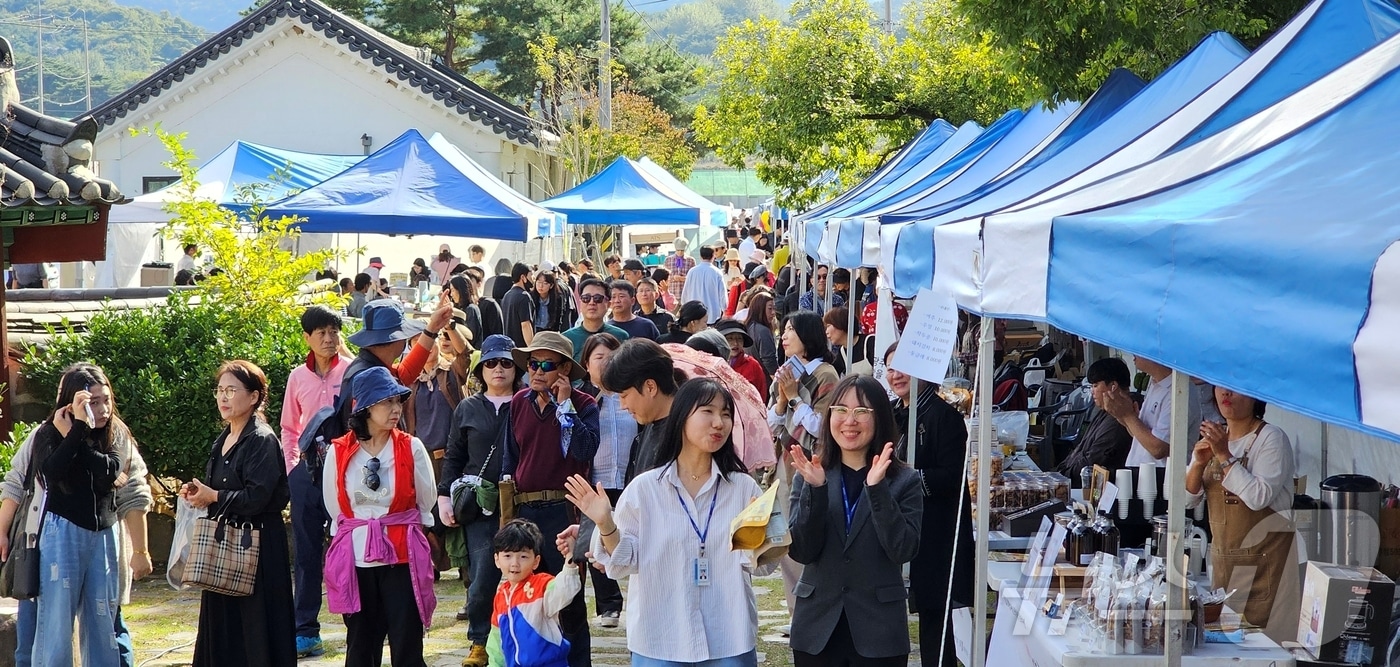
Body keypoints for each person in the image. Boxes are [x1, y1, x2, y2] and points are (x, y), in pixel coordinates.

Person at [564, 378, 764, 667]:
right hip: (660, 639)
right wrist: (605, 522)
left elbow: (764, 564)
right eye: (708, 411)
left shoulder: (744, 488)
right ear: (682, 416)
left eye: (726, 414)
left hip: (729, 636)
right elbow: (622, 563)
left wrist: (758, 536)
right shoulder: (645, 489)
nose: (719, 422)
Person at [787, 375, 922, 666]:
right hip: (817, 628)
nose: (850, 421)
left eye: (862, 411)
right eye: (841, 410)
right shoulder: (811, 474)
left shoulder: (904, 481)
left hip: (879, 630)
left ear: (880, 418)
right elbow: (802, 551)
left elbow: (903, 550)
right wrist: (817, 491)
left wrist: (877, 491)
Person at [0, 365, 124, 667]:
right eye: (93, 402)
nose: (103, 408)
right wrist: (76, 431)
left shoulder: (114, 433)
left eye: (106, 400)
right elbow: (50, 473)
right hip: (61, 530)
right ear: (73, 402)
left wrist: (77, 437)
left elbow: (110, 471)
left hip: (103, 531)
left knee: (102, 616)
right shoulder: (47, 433)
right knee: (55, 619)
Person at [182, 360, 296, 666]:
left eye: (232, 390)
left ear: (254, 396)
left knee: (257, 629)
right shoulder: (224, 438)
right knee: (223, 628)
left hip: (257, 547)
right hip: (225, 546)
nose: (223, 397)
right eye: (220, 390)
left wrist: (215, 495)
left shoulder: (261, 438)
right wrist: (200, 495)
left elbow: (257, 497)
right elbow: (221, 488)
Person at [322, 367, 437, 667]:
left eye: (398, 402)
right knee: (360, 642)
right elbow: (336, 508)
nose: (396, 409)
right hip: (357, 556)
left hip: (401, 554)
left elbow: (426, 500)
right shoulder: (339, 451)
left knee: (406, 639)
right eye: (387, 402)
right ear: (364, 407)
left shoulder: (411, 447)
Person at [500, 332, 600, 667]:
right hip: (526, 508)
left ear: (565, 371)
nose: (538, 371)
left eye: (547, 364)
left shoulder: (584, 404)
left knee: (568, 598)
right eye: (532, 363)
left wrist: (565, 406)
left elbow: (585, 450)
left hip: (565, 510)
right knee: (526, 593)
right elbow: (509, 459)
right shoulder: (518, 402)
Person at [1185, 387, 1298, 641]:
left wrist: (1224, 455)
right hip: (1225, 568)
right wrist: (1199, 461)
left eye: (1237, 389)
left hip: (1266, 571)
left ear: (1256, 395)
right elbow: (1187, 500)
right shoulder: (1216, 438)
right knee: (1225, 651)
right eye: (1221, 386)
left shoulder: (1271, 438)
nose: (1227, 393)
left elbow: (1259, 497)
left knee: (1263, 649)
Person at [884, 346, 972, 666]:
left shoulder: (943, 416)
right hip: (899, 523)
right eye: (890, 368)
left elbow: (952, 476)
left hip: (936, 529)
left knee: (935, 614)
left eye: (903, 367)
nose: (896, 375)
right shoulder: (893, 413)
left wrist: (908, 478)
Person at [438, 335, 519, 666]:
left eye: (505, 362)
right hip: (480, 505)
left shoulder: (528, 402)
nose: (498, 369)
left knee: (521, 572)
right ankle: (479, 642)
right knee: (483, 577)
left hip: (521, 501)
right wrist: (445, 496)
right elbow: (454, 455)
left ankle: (517, 640)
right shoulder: (467, 408)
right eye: (490, 363)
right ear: (479, 369)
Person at [278, 306, 353, 657]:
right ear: (307, 337)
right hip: (307, 473)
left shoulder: (352, 370)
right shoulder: (297, 377)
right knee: (307, 552)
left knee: (352, 546)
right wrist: (293, 467)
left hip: (347, 472)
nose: (328, 338)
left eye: (333, 330)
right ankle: (305, 630)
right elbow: (290, 427)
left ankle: (361, 623)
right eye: (320, 332)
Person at [578, 333, 633, 629]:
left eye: (612, 358)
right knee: (597, 539)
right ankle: (609, 604)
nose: (606, 363)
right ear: (586, 364)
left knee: (629, 535)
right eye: (599, 358)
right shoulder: (583, 400)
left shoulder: (629, 396)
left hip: (627, 477)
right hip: (595, 480)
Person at [486, 519, 584, 667]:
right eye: (508, 556)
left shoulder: (542, 585)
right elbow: (495, 638)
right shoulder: (501, 595)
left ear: (536, 561)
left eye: (523, 556)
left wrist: (570, 559)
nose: (515, 563)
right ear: (497, 559)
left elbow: (565, 590)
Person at [601, 339, 687, 484]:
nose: (623, 406)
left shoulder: (688, 434)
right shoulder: (649, 424)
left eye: (624, 395)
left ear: (650, 387)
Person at [1103, 355, 1203, 467]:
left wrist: (1128, 416)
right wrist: (1121, 415)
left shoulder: (1180, 391)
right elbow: (1140, 437)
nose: (1133, 353)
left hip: (1162, 479)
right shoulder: (1155, 384)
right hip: (1141, 473)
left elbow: (1158, 449)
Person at [1056, 358, 1136, 478]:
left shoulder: (1117, 419)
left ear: (1113, 386)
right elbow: (1080, 451)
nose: (1092, 391)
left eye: (1095, 385)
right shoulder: (1105, 411)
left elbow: (1094, 461)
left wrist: (1063, 476)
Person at [562, 278, 630, 363]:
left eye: (597, 298)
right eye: (586, 298)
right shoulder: (566, 339)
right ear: (580, 303)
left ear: (608, 304)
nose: (591, 302)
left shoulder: (620, 336)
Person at [716, 318, 768, 402]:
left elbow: (761, 396)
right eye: (730, 338)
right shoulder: (712, 364)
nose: (735, 343)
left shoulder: (753, 365)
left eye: (739, 339)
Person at [822, 307, 871, 376]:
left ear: (840, 324)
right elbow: (832, 374)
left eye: (828, 326)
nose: (826, 332)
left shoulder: (870, 342)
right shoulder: (842, 352)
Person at [743, 292, 779, 379]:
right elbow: (769, 360)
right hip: (763, 380)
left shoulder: (748, 326)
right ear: (760, 309)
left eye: (774, 309)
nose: (773, 313)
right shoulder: (763, 331)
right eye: (770, 309)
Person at [502, 262, 537, 347]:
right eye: (531, 275)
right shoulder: (524, 296)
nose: (534, 278)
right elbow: (525, 325)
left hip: (509, 346)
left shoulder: (507, 295)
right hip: (522, 349)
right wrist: (531, 348)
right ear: (523, 277)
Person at [532, 270, 568, 334]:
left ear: (551, 285)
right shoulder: (531, 296)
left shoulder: (558, 298)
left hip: (550, 332)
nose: (541, 286)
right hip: (534, 331)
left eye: (545, 283)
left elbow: (559, 319)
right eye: (538, 282)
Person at [663, 237, 695, 306]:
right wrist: (673, 277)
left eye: (682, 250)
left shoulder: (691, 260)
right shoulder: (668, 260)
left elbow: (694, 277)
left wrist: (685, 278)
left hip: (687, 294)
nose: (680, 252)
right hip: (672, 293)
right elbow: (664, 277)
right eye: (678, 250)